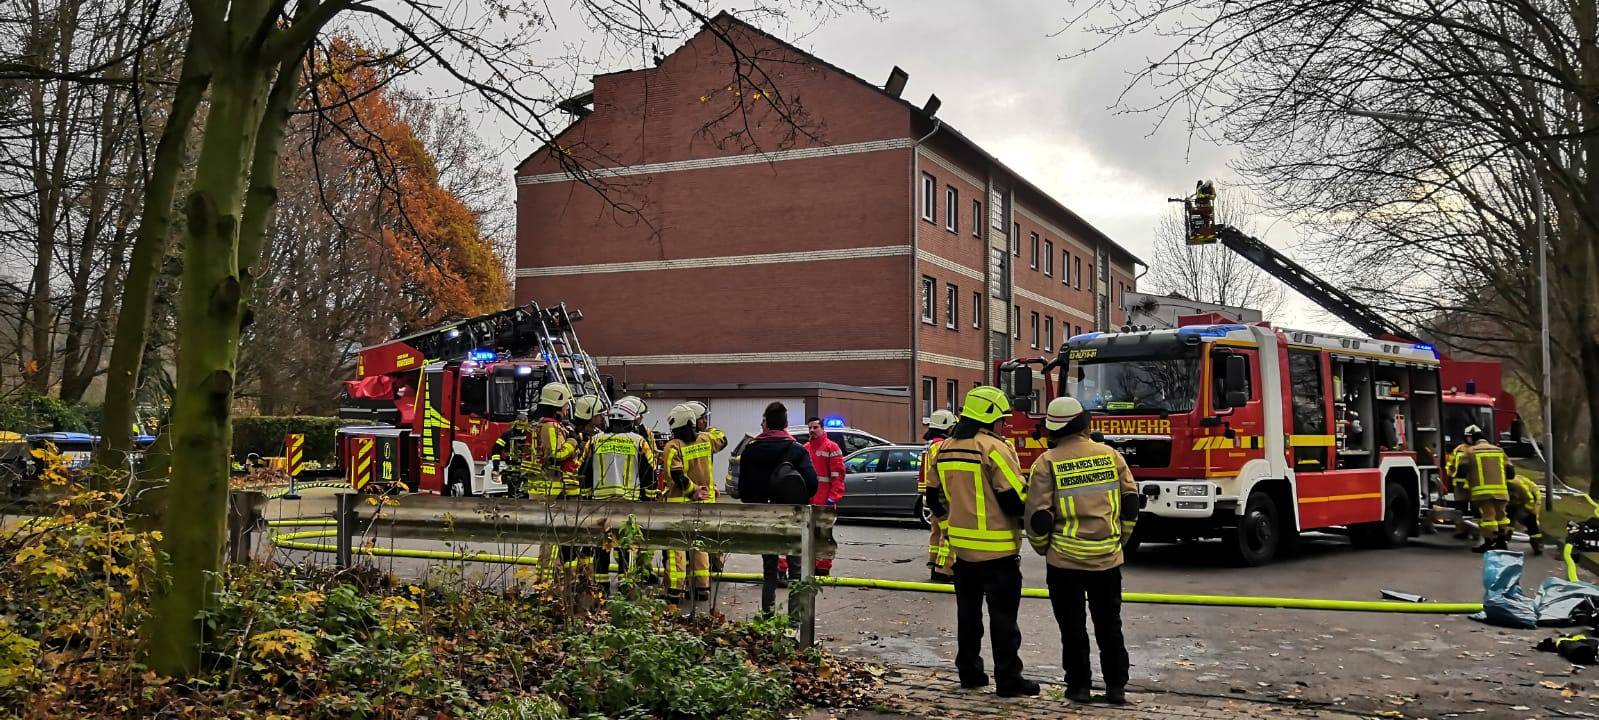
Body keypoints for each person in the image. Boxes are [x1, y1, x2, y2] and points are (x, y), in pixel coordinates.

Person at [925, 386, 1039, 697]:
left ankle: (970, 673)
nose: (1005, 425)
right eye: (1002, 419)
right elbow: (1014, 497)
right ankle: (1008, 679)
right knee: (1003, 621)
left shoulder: (945, 448)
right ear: (989, 417)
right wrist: (1034, 516)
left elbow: (933, 497)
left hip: (963, 554)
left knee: (968, 618)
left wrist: (949, 527)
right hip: (999, 553)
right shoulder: (993, 448)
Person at [1025, 397, 1138, 705]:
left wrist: (1044, 550)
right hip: (1107, 560)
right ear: (1085, 424)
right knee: (1109, 625)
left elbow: (1037, 519)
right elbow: (1130, 506)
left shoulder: (1046, 463)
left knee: (1072, 629)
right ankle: (1116, 688)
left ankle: (1079, 688)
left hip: (1064, 562)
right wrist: (1118, 543)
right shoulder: (1112, 456)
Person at [736, 401, 820, 614]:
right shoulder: (797, 450)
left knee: (770, 571)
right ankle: (793, 621)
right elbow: (812, 485)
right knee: (796, 570)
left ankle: (767, 618)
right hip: (792, 517)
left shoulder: (751, 450)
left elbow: (743, 491)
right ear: (786, 424)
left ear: (765, 423)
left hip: (763, 517)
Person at [581, 403, 655, 591]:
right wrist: (649, 501)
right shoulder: (638, 441)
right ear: (630, 421)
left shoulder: (595, 441)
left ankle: (601, 589)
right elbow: (650, 473)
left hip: (598, 503)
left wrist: (586, 498)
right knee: (626, 546)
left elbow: (582, 471)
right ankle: (625, 587)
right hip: (629, 503)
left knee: (602, 547)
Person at [660, 402, 727, 603]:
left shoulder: (673, 446)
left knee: (676, 549)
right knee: (700, 546)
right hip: (703, 506)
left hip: (679, 506)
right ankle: (702, 588)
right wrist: (704, 429)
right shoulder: (705, 440)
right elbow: (722, 438)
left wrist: (693, 491)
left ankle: (675, 590)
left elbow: (677, 475)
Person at [1452, 425, 1513, 553]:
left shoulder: (1470, 452)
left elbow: (1461, 472)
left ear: (1473, 438)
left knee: (1488, 518)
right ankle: (1502, 542)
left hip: (1482, 493)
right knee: (1501, 516)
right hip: (1501, 492)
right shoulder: (1499, 451)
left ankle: (1489, 543)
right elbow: (1511, 472)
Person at [920, 409, 958, 583]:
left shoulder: (930, 446)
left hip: (932, 495)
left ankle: (934, 563)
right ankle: (944, 569)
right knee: (948, 533)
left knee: (936, 531)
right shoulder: (941, 446)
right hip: (943, 496)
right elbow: (943, 471)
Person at [1508, 471, 1544, 556]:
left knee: (1530, 520)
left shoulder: (1516, 484)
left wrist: (1528, 511)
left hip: (1531, 496)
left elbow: (1529, 499)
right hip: (1516, 499)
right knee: (1508, 520)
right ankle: (1504, 540)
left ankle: (1537, 543)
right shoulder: (1503, 484)